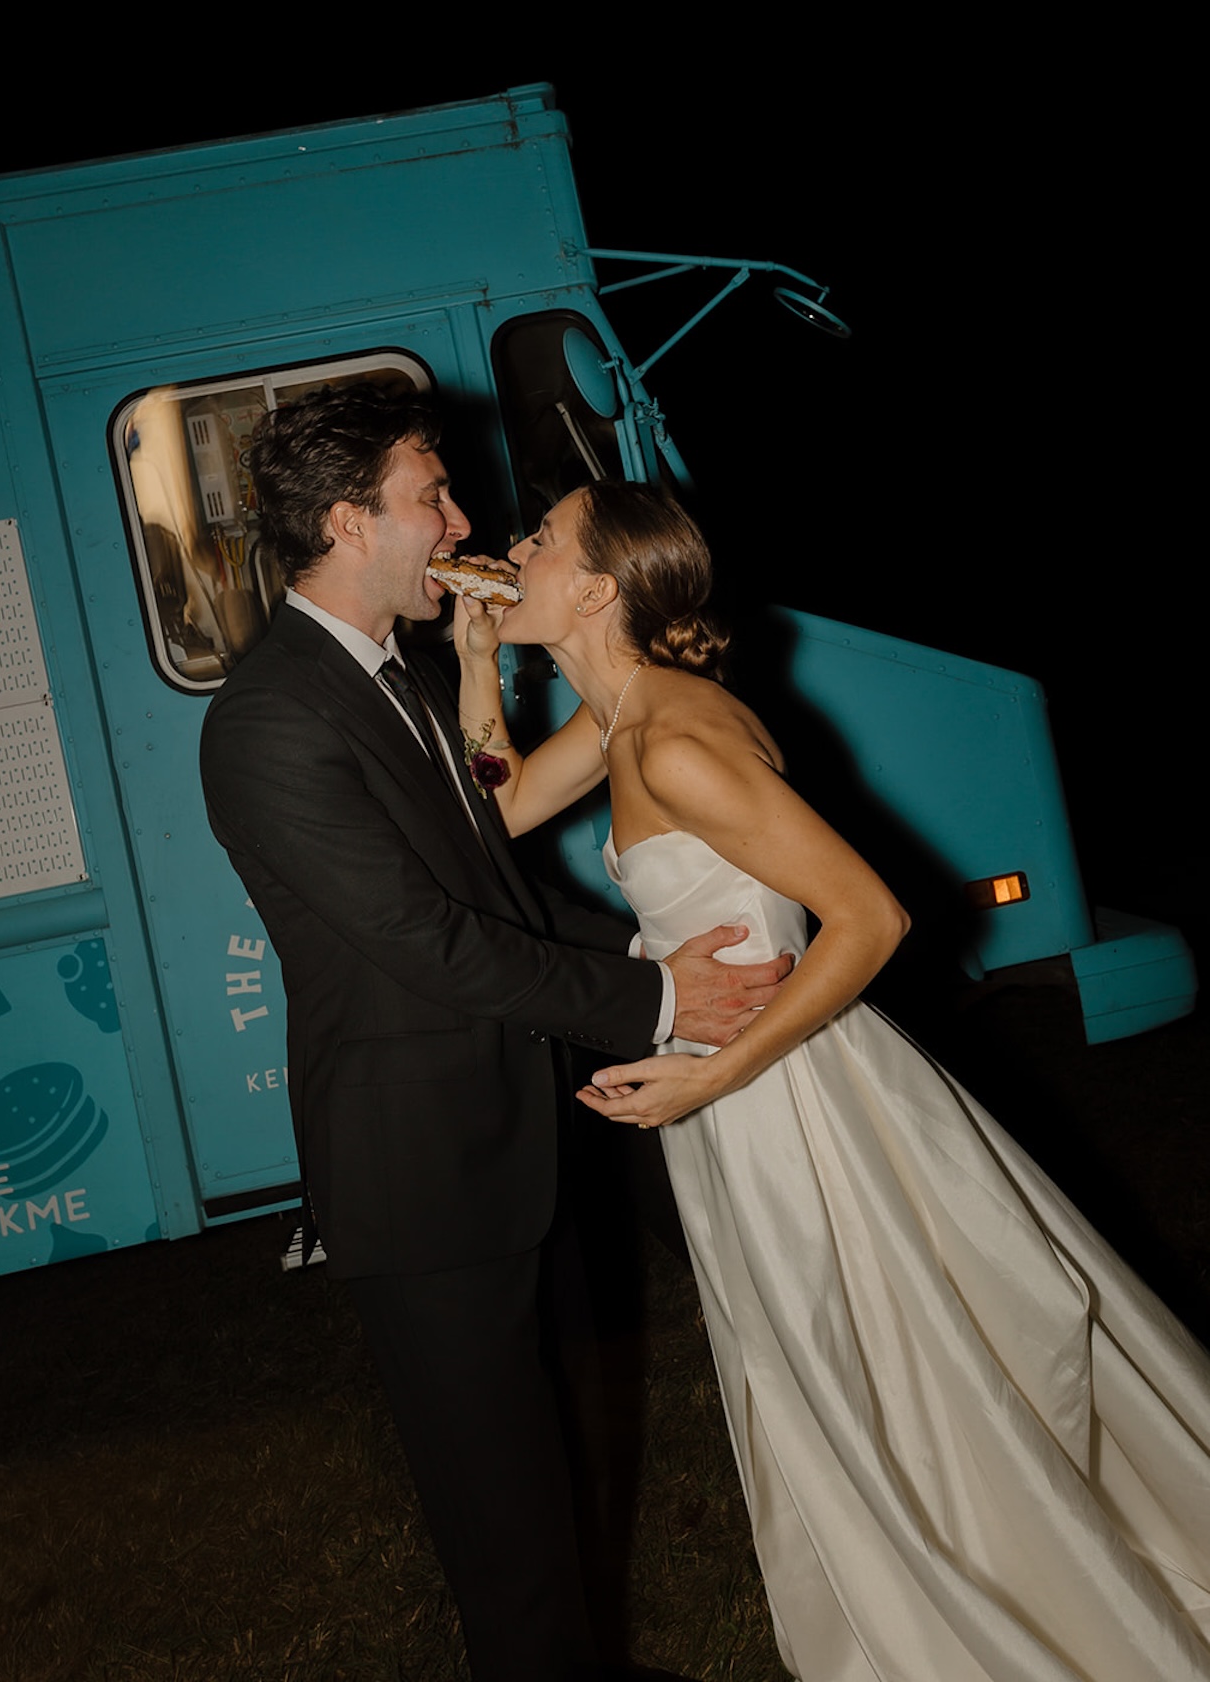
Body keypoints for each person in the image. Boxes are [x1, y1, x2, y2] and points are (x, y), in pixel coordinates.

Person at [453, 477, 1210, 1682]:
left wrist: (708, 1083)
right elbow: (488, 814)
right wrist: (475, 656)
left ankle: (967, 1619)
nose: (512, 547)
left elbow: (870, 916)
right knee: (826, 1358)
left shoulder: (674, 739)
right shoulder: (620, 716)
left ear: (595, 589)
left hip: (781, 1095)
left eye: (538, 540)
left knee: (858, 1367)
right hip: (737, 1088)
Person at [198, 390, 792, 1682]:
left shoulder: (395, 676)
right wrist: (657, 1003)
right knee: (503, 1535)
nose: (464, 526)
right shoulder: (267, 719)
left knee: (556, 1473)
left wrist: (647, 959)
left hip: (507, 1149)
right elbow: (428, 942)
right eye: (434, 500)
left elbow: (499, 893)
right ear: (354, 525)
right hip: (420, 1181)